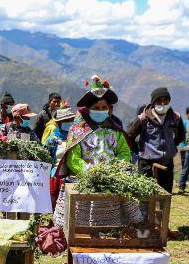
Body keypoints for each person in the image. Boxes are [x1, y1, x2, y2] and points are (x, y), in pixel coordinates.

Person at [53, 76, 131, 226]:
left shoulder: (116, 132)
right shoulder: (77, 131)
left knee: (111, 225)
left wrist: (116, 168)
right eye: (96, 108)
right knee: (80, 225)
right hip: (84, 181)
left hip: (111, 179)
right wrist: (91, 172)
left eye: (104, 108)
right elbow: (72, 158)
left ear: (109, 110)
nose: (100, 111)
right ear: (88, 110)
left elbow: (124, 153)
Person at [127, 87, 185, 194]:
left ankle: (162, 211)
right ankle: (144, 211)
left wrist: (171, 146)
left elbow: (181, 135)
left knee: (165, 194)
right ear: (153, 102)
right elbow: (130, 135)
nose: (162, 103)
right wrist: (138, 151)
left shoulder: (175, 117)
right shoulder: (143, 118)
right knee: (145, 195)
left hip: (167, 163)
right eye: (159, 100)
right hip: (146, 164)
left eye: (165, 100)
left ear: (169, 101)